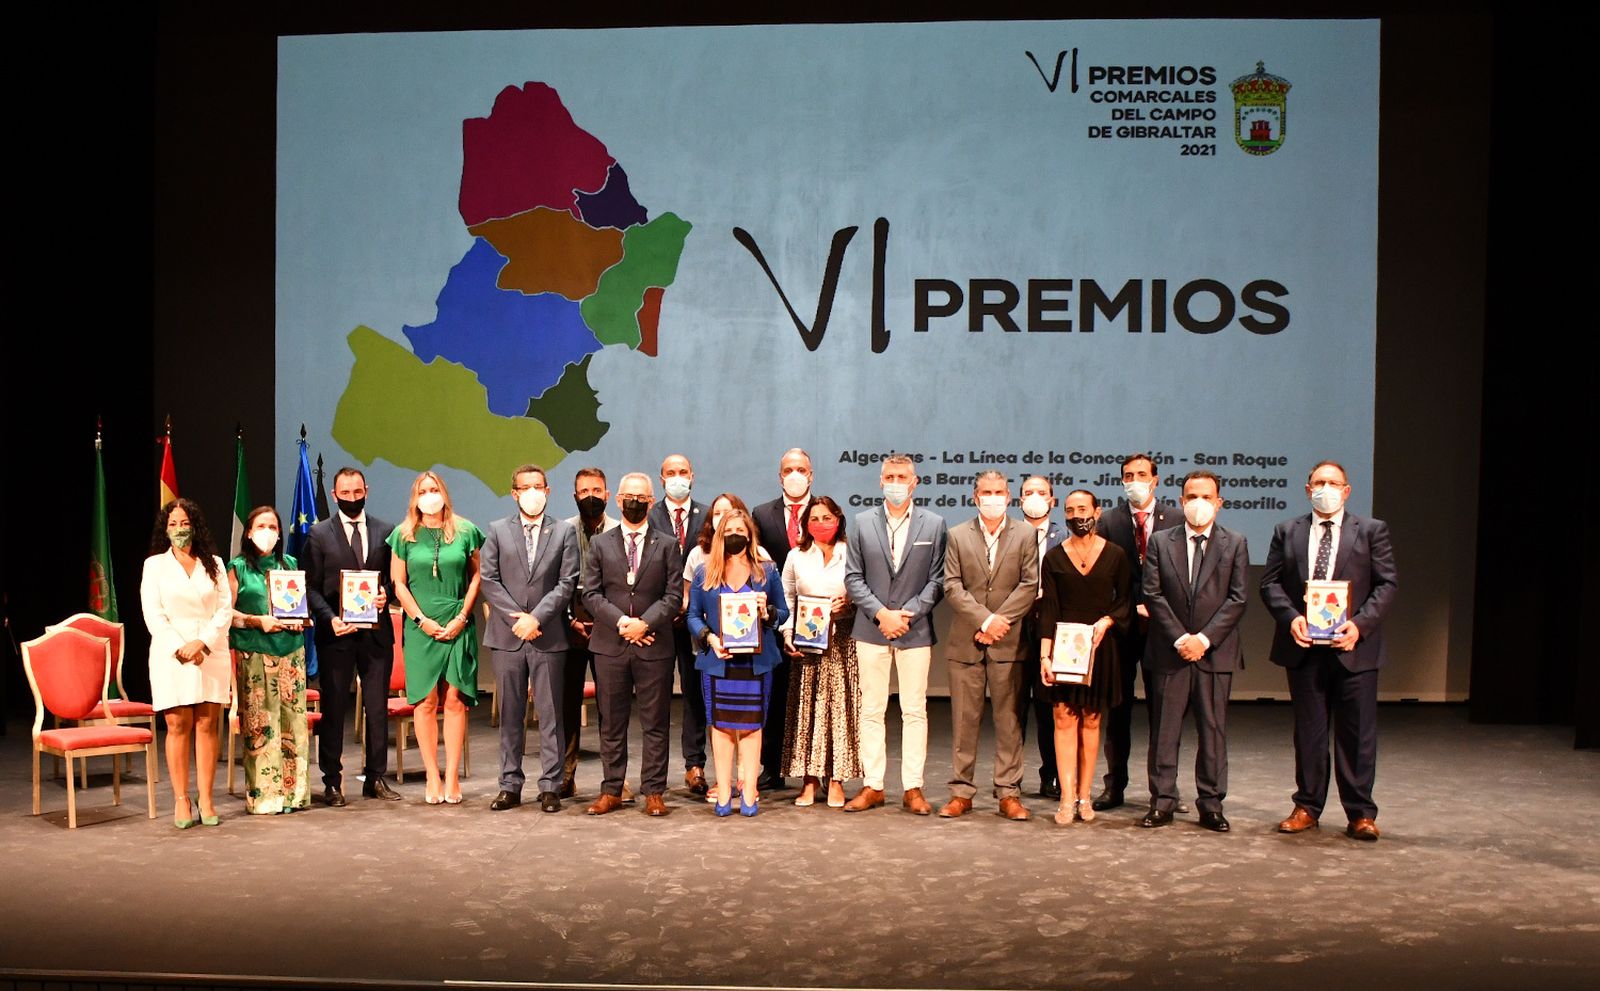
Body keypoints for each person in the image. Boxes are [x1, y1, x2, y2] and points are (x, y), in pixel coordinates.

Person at [1261, 460, 1398, 841]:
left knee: (1357, 734)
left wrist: (1360, 625)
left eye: (1333, 483)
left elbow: (1386, 584)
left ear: (1346, 490)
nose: (1326, 489)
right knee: (1309, 733)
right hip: (1304, 648)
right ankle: (1307, 806)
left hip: (1354, 648)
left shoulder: (1371, 531)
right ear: (1308, 490)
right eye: (1319, 482)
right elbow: (1270, 583)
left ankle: (1361, 813)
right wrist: (1291, 618)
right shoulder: (1287, 531)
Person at [1138, 471, 1249, 832]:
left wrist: (1203, 639)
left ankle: (1211, 804)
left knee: (1213, 731)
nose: (1198, 503)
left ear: (1218, 502)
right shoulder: (1160, 541)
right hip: (1169, 652)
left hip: (1214, 653)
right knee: (1164, 731)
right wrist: (1180, 638)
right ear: (1182, 501)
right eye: (1192, 497)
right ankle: (1162, 801)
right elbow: (1152, 594)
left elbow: (1237, 598)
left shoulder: (1235, 542)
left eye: (1206, 497)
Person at [842, 454, 947, 815]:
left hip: (914, 630)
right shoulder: (861, 522)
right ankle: (873, 785)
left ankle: (913, 788)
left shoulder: (934, 524)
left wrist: (907, 615)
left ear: (914, 482)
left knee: (914, 710)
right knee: (871, 709)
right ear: (880, 481)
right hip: (871, 629)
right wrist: (881, 614)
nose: (896, 483)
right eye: (890, 477)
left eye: (903, 477)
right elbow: (853, 577)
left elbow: (937, 580)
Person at [581, 472, 685, 816]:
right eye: (629, 496)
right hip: (610, 645)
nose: (635, 502)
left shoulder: (667, 544)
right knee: (612, 723)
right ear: (618, 500)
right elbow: (591, 594)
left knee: (655, 723)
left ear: (651, 502)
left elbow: (673, 596)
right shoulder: (600, 544)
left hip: (654, 645)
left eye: (641, 497)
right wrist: (623, 623)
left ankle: (654, 791)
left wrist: (645, 624)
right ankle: (611, 790)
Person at [480, 464, 579, 813]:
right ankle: (509, 785)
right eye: (526, 487)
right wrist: (518, 619)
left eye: (539, 486)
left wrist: (536, 617)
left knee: (551, 715)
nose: (532, 492)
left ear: (548, 491)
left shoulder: (564, 532)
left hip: (548, 635)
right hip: (508, 637)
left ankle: (551, 785)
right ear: (514, 493)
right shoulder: (497, 530)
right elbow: (489, 580)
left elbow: (567, 582)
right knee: (510, 714)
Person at [940, 472, 1039, 821]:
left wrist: (999, 623)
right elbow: (952, 585)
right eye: (986, 492)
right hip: (966, 642)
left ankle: (1009, 793)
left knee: (1009, 721)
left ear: (1009, 497)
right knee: (964, 721)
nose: (993, 497)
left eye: (999, 492)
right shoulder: (957, 535)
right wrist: (984, 621)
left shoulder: (1025, 534)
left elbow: (1029, 584)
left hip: (1009, 643)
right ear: (975, 497)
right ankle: (961, 792)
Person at [387, 471, 484, 805]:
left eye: (434, 489)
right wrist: (420, 620)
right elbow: (399, 584)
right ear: (415, 498)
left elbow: (476, 578)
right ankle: (432, 774)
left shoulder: (467, 531)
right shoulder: (403, 535)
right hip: (420, 627)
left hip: (458, 622)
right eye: (423, 491)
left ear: (444, 493)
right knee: (426, 701)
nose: (429, 495)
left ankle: (452, 775)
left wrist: (462, 617)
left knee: (455, 700)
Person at [304, 467, 399, 806]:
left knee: (377, 709)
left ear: (366, 491)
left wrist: (386, 594)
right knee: (334, 710)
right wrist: (330, 619)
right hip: (336, 636)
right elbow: (310, 587)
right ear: (334, 495)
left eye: (357, 492)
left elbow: (394, 581)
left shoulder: (386, 531)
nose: (352, 498)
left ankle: (376, 777)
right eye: (345, 493)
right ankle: (332, 781)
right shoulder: (319, 534)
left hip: (376, 636)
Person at [1094, 453, 1184, 812]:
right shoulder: (1109, 520)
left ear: (1155, 479)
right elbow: (1102, 575)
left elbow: (1182, 575)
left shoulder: (1176, 519)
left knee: (1164, 711)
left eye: (1141, 474)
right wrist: (1128, 608)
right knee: (1118, 709)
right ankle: (1114, 785)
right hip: (1122, 625)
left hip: (1163, 627)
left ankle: (1165, 790)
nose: (1135, 480)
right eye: (1128, 475)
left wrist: (1157, 607)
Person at [687, 509, 789, 816]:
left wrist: (767, 612)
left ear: (750, 535)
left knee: (752, 727)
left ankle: (749, 792)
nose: (735, 536)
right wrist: (709, 638)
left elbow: (783, 612)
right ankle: (723, 792)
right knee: (720, 727)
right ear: (720, 535)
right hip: (719, 662)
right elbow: (693, 615)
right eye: (729, 531)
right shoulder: (705, 572)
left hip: (756, 663)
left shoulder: (766, 571)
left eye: (740, 531)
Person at [1038, 489, 1131, 824]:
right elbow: (1049, 609)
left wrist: (1107, 621)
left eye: (1082, 509)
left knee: (1091, 720)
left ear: (1097, 511)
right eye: (1070, 510)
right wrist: (1045, 657)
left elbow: (1125, 599)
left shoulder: (1116, 555)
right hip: (1064, 649)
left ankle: (1085, 796)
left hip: (1100, 647)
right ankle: (1066, 798)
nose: (1077, 515)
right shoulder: (1053, 558)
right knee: (1063, 718)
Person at [140, 499, 232, 828]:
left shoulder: (215, 564)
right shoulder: (154, 566)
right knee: (178, 725)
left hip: (210, 651)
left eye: (185, 523)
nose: (179, 529)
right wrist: (182, 647)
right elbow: (153, 614)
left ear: (195, 526)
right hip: (172, 655)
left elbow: (224, 609)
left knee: (207, 724)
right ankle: (182, 798)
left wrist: (202, 643)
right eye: (173, 524)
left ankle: (206, 798)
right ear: (165, 530)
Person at [226, 506, 311, 815]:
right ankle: (265, 796)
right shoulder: (237, 568)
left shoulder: (289, 564)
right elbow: (226, 614)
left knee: (293, 725)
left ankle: (294, 795)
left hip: (290, 653)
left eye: (273, 527)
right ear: (249, 532)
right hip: (255, 653)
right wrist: (255, 621)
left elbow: (297, 606)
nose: (268, 532)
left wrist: (300, 621)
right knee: (261, 725)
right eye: (261, 526)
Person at [778, 496, 861, 808]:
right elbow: (786, 598)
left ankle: (836, 779)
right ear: (805, 524)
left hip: (842, 642)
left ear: (838, 520)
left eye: (827, 518)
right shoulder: (796, 556)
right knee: (807, 712)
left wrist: (848, 604)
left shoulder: (851, 552)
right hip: (807, 644)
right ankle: (809, 780)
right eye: (814, 518)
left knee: (838, 712)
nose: (821, 523)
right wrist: (787, 633)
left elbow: (864, 591)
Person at [751, 447, 814, 791]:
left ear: (810, 475)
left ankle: (813, 771)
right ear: (780, 477)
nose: (795, 475)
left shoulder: (824, 512)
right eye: (788, 470)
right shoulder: (762, 514)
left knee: (812, 696)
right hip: (774, 617)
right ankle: (772, 767)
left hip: (818, 620)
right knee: (774, 697)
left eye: (800, 469)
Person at [647, 454, 709, 797]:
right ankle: (654, 772)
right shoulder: (649, 516)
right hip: (657, 620)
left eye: (682, 472)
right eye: (670, 473)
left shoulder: (707, 516)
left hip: (694, 621)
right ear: (661, 479)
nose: (677, 478)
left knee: (694, 694)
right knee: (655, 697)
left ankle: (694, 765)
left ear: (692, 476)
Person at [560, 467, 618, 798]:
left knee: (611, 708)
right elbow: (557, 581)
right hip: (570, 631)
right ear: (575, 496)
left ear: (607, 495)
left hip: (608, 629)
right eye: (584, 491)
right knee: (567, 705)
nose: (591, 497)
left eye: (596, 490)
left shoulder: (619, 531)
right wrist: (571, 619)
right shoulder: (562, 532)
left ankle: (614, 779)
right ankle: (565, 776)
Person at [1017, 475, 1065, 799]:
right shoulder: (1007, 534)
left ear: (1052, 500)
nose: (1035, 497)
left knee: (1049, 708)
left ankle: (1052, 776)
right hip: (1016, 629)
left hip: (1053, 632)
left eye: (1041, 492)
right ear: (1019, 500)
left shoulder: (1064, 536)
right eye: (1028, 492)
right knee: (1014, 707)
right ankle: (1011, 779)